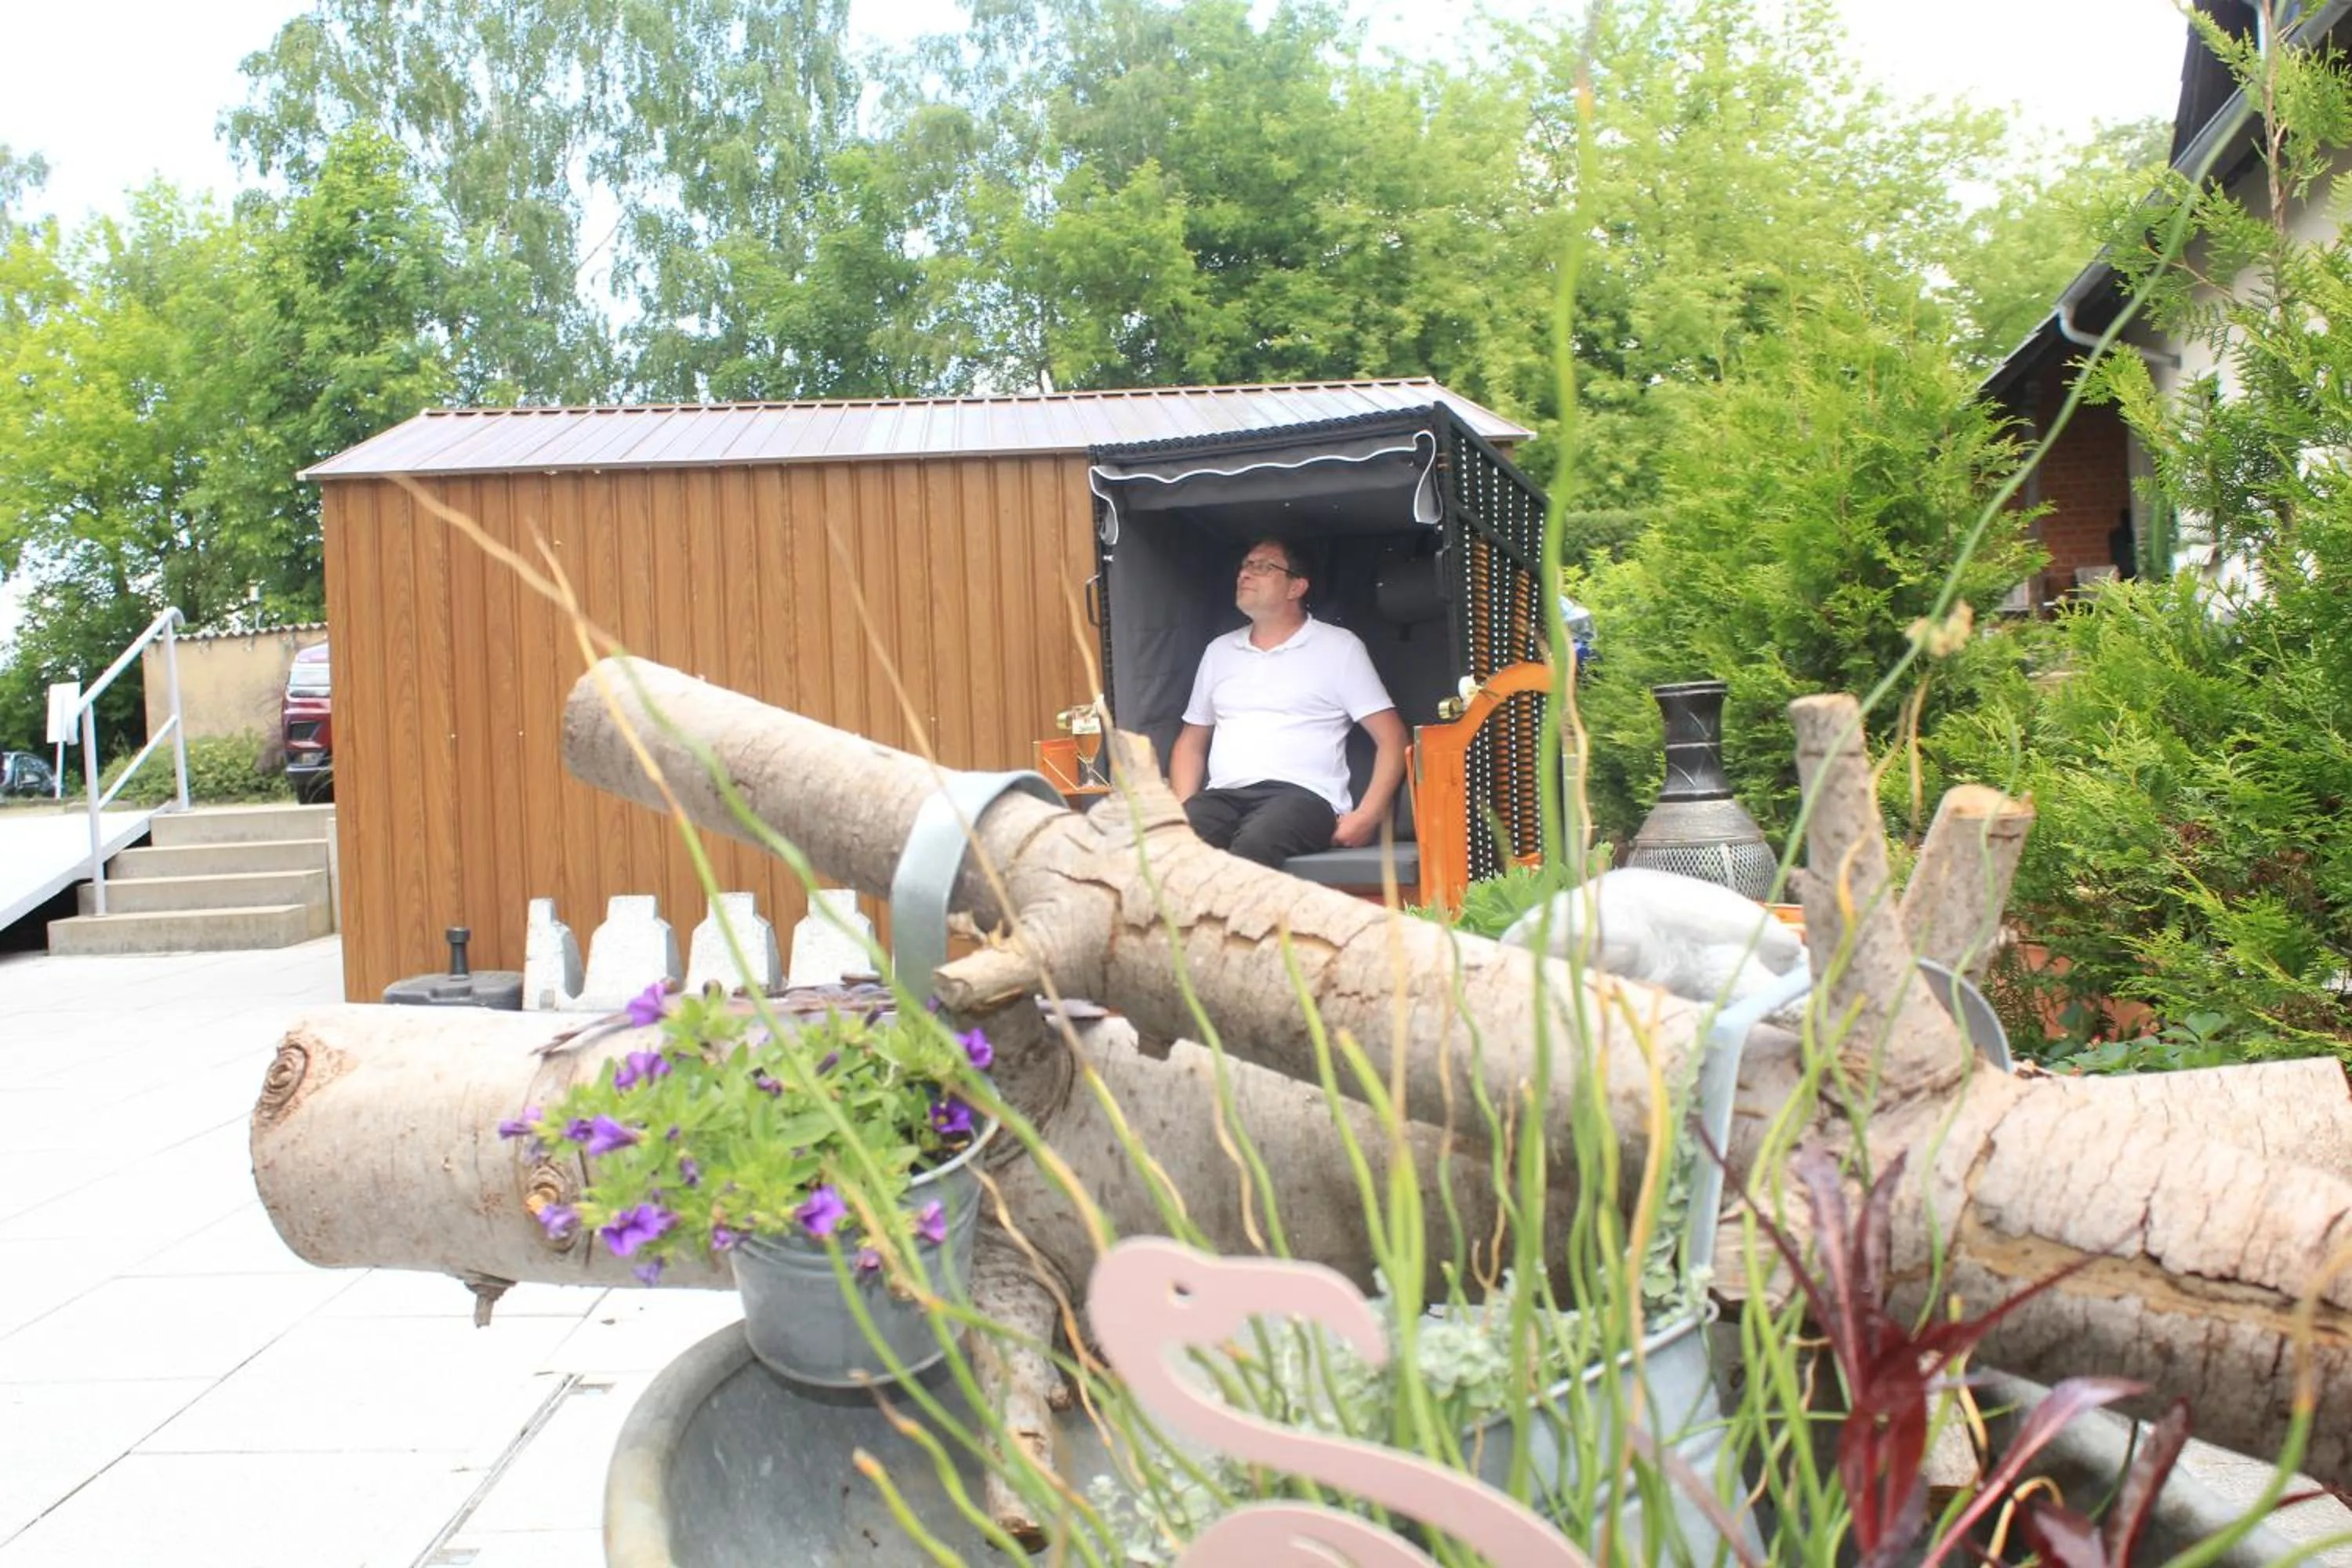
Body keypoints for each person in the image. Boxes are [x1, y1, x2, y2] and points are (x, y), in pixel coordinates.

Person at [1170, 538, 1408, 869]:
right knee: (1168, 850)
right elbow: (1191, 743)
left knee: (1254, 844)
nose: (1245, 574)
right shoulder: (1218, 651)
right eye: (1245, 565)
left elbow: (1392, 737)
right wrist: (1183, 810)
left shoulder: (1339, 648)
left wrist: (1367, 816)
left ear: (1296, 587)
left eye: (1262, 567)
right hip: (1223, 796)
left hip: (1304, 798)